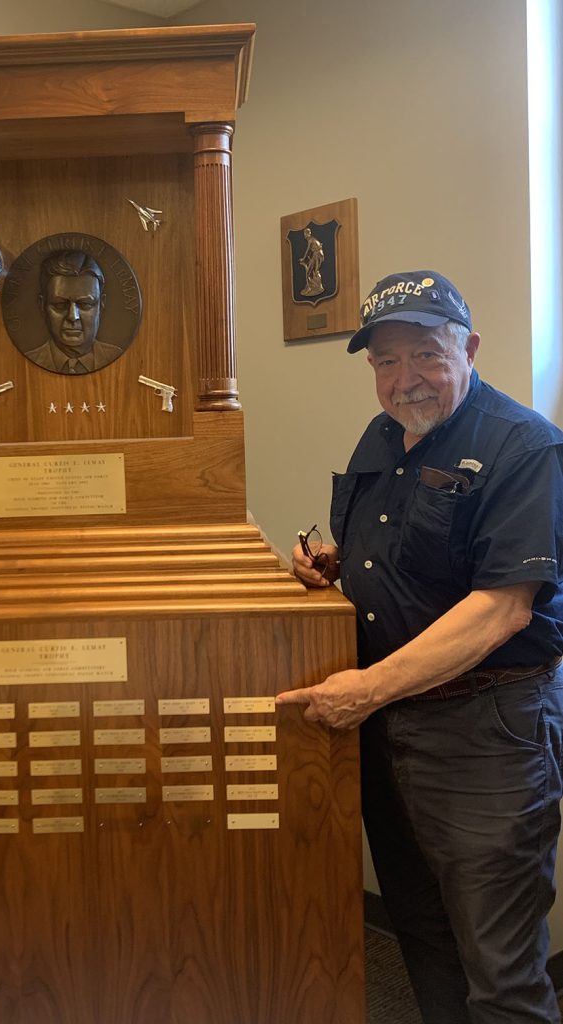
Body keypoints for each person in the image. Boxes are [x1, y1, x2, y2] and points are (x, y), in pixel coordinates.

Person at [276, 269, 563, 1024]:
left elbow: (501, 606)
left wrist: (365, 690)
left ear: (467, 346)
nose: (405, 381)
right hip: (389, 729)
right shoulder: (385, 436)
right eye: (385, 361)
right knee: (422, 931)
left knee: (498, 964)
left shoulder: (523, 447)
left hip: (484, 734)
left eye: (426, 355)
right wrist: (335, 560)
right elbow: (408, 548)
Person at [27, 250, 123, 374]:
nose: (73, 316)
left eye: (85, 304)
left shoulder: (117, 357)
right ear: (42, 305)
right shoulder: (28, 361)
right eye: (60, 305)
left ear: (101, 304)